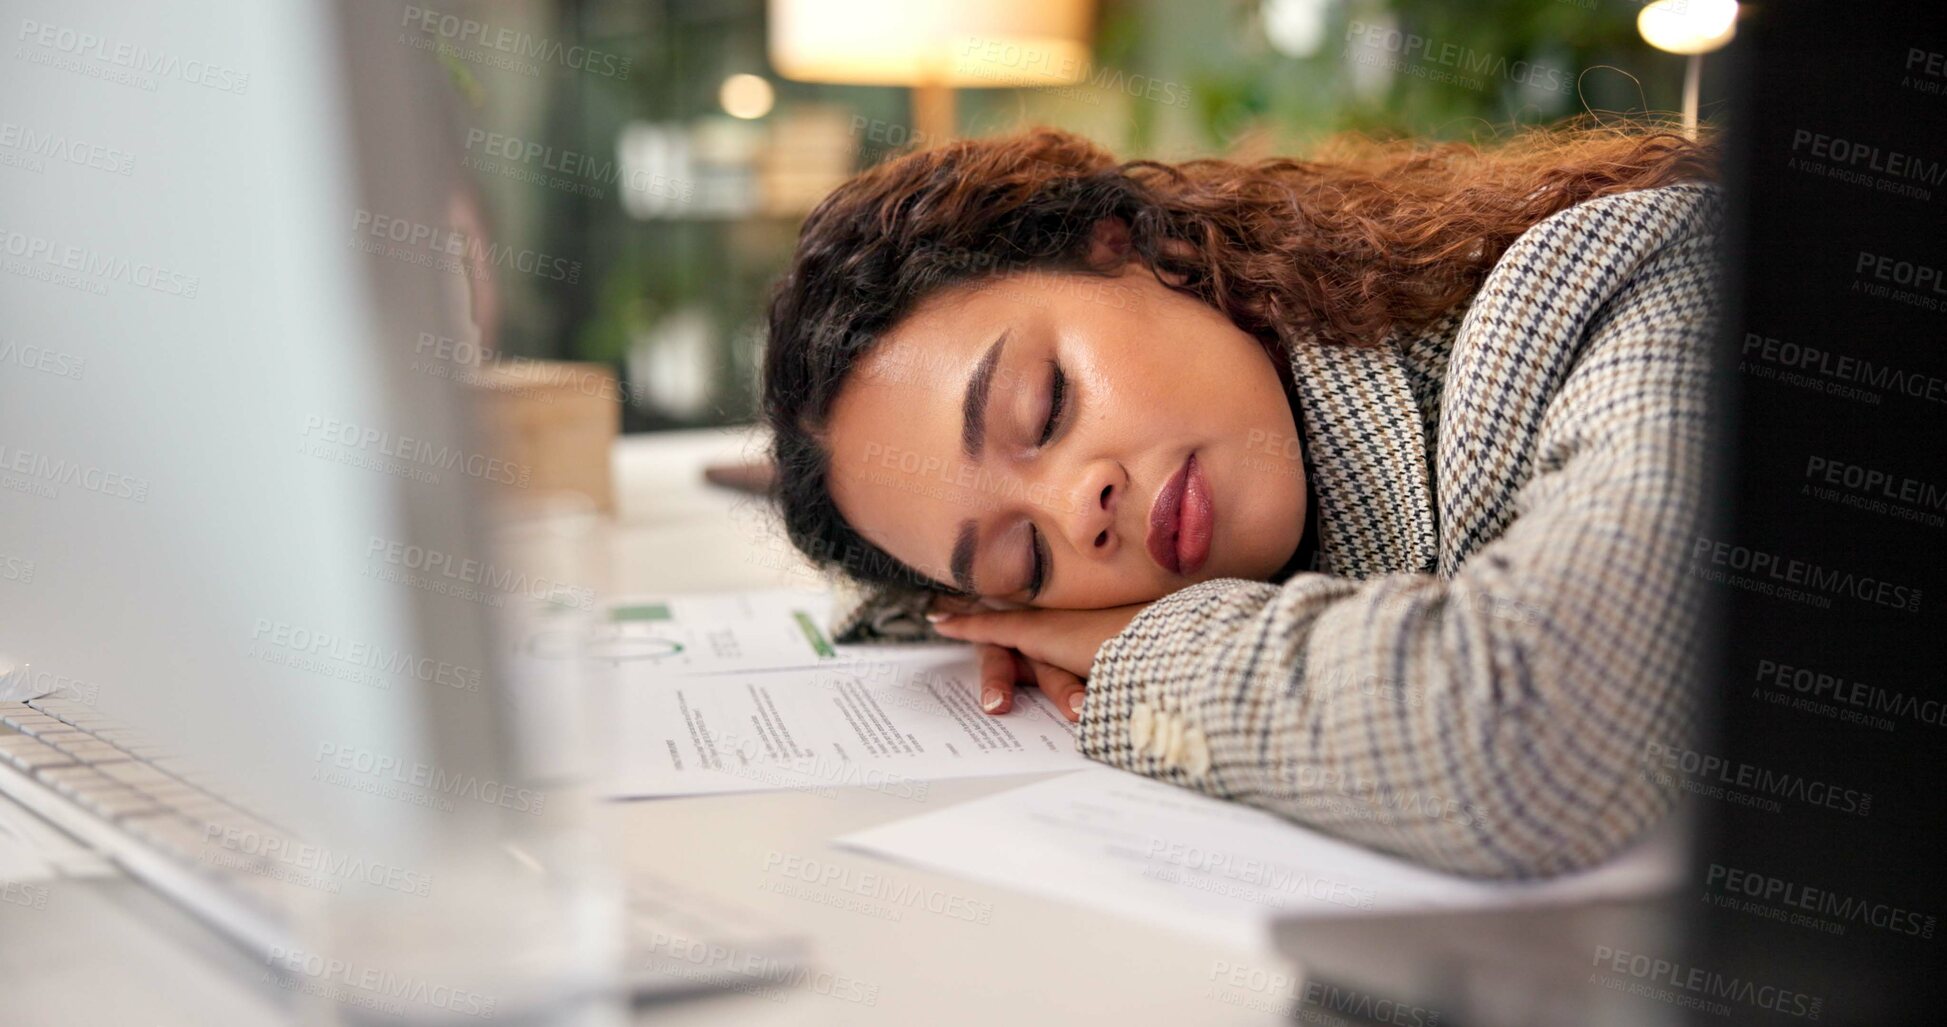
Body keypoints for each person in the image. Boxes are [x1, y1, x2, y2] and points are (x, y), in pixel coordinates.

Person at [760, 124, 1721, 878]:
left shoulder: (1615, 280)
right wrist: (991, 609)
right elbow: (897, 594)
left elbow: (1532, 740)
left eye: (1045, 406)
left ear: (1131, 250)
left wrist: (1133, 648)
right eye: (1026, 558)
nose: (1076, 508)